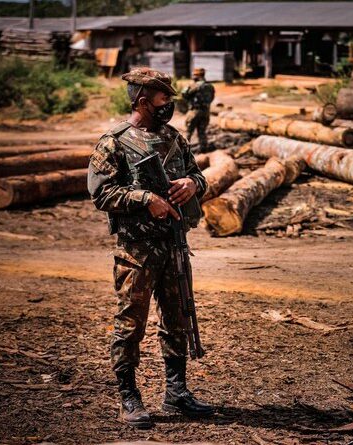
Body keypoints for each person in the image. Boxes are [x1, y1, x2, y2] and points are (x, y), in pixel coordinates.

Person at [87, 67, 213, 429]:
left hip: (174, 246)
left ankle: (177, 392)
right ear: (143, 101)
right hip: (137, 252)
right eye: (163, 100)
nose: (170, 105)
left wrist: (192, 183)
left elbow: (198, 175)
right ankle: (129, 396)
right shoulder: (114, 141)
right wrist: (145, 198)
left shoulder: (174, 137)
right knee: (131, 325)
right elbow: (100, 193)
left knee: (178, 321)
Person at [182, 67, 215, 152]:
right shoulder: (210, 86)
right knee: (202, 132)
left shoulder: (194, 85)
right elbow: (212, 98)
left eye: (194, 74)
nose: (193, 76)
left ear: (198, 75)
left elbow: (184, 94)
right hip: (206, 112)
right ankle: (203, 150)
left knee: (188, 132)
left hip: (194, 112)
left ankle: (185, 151)